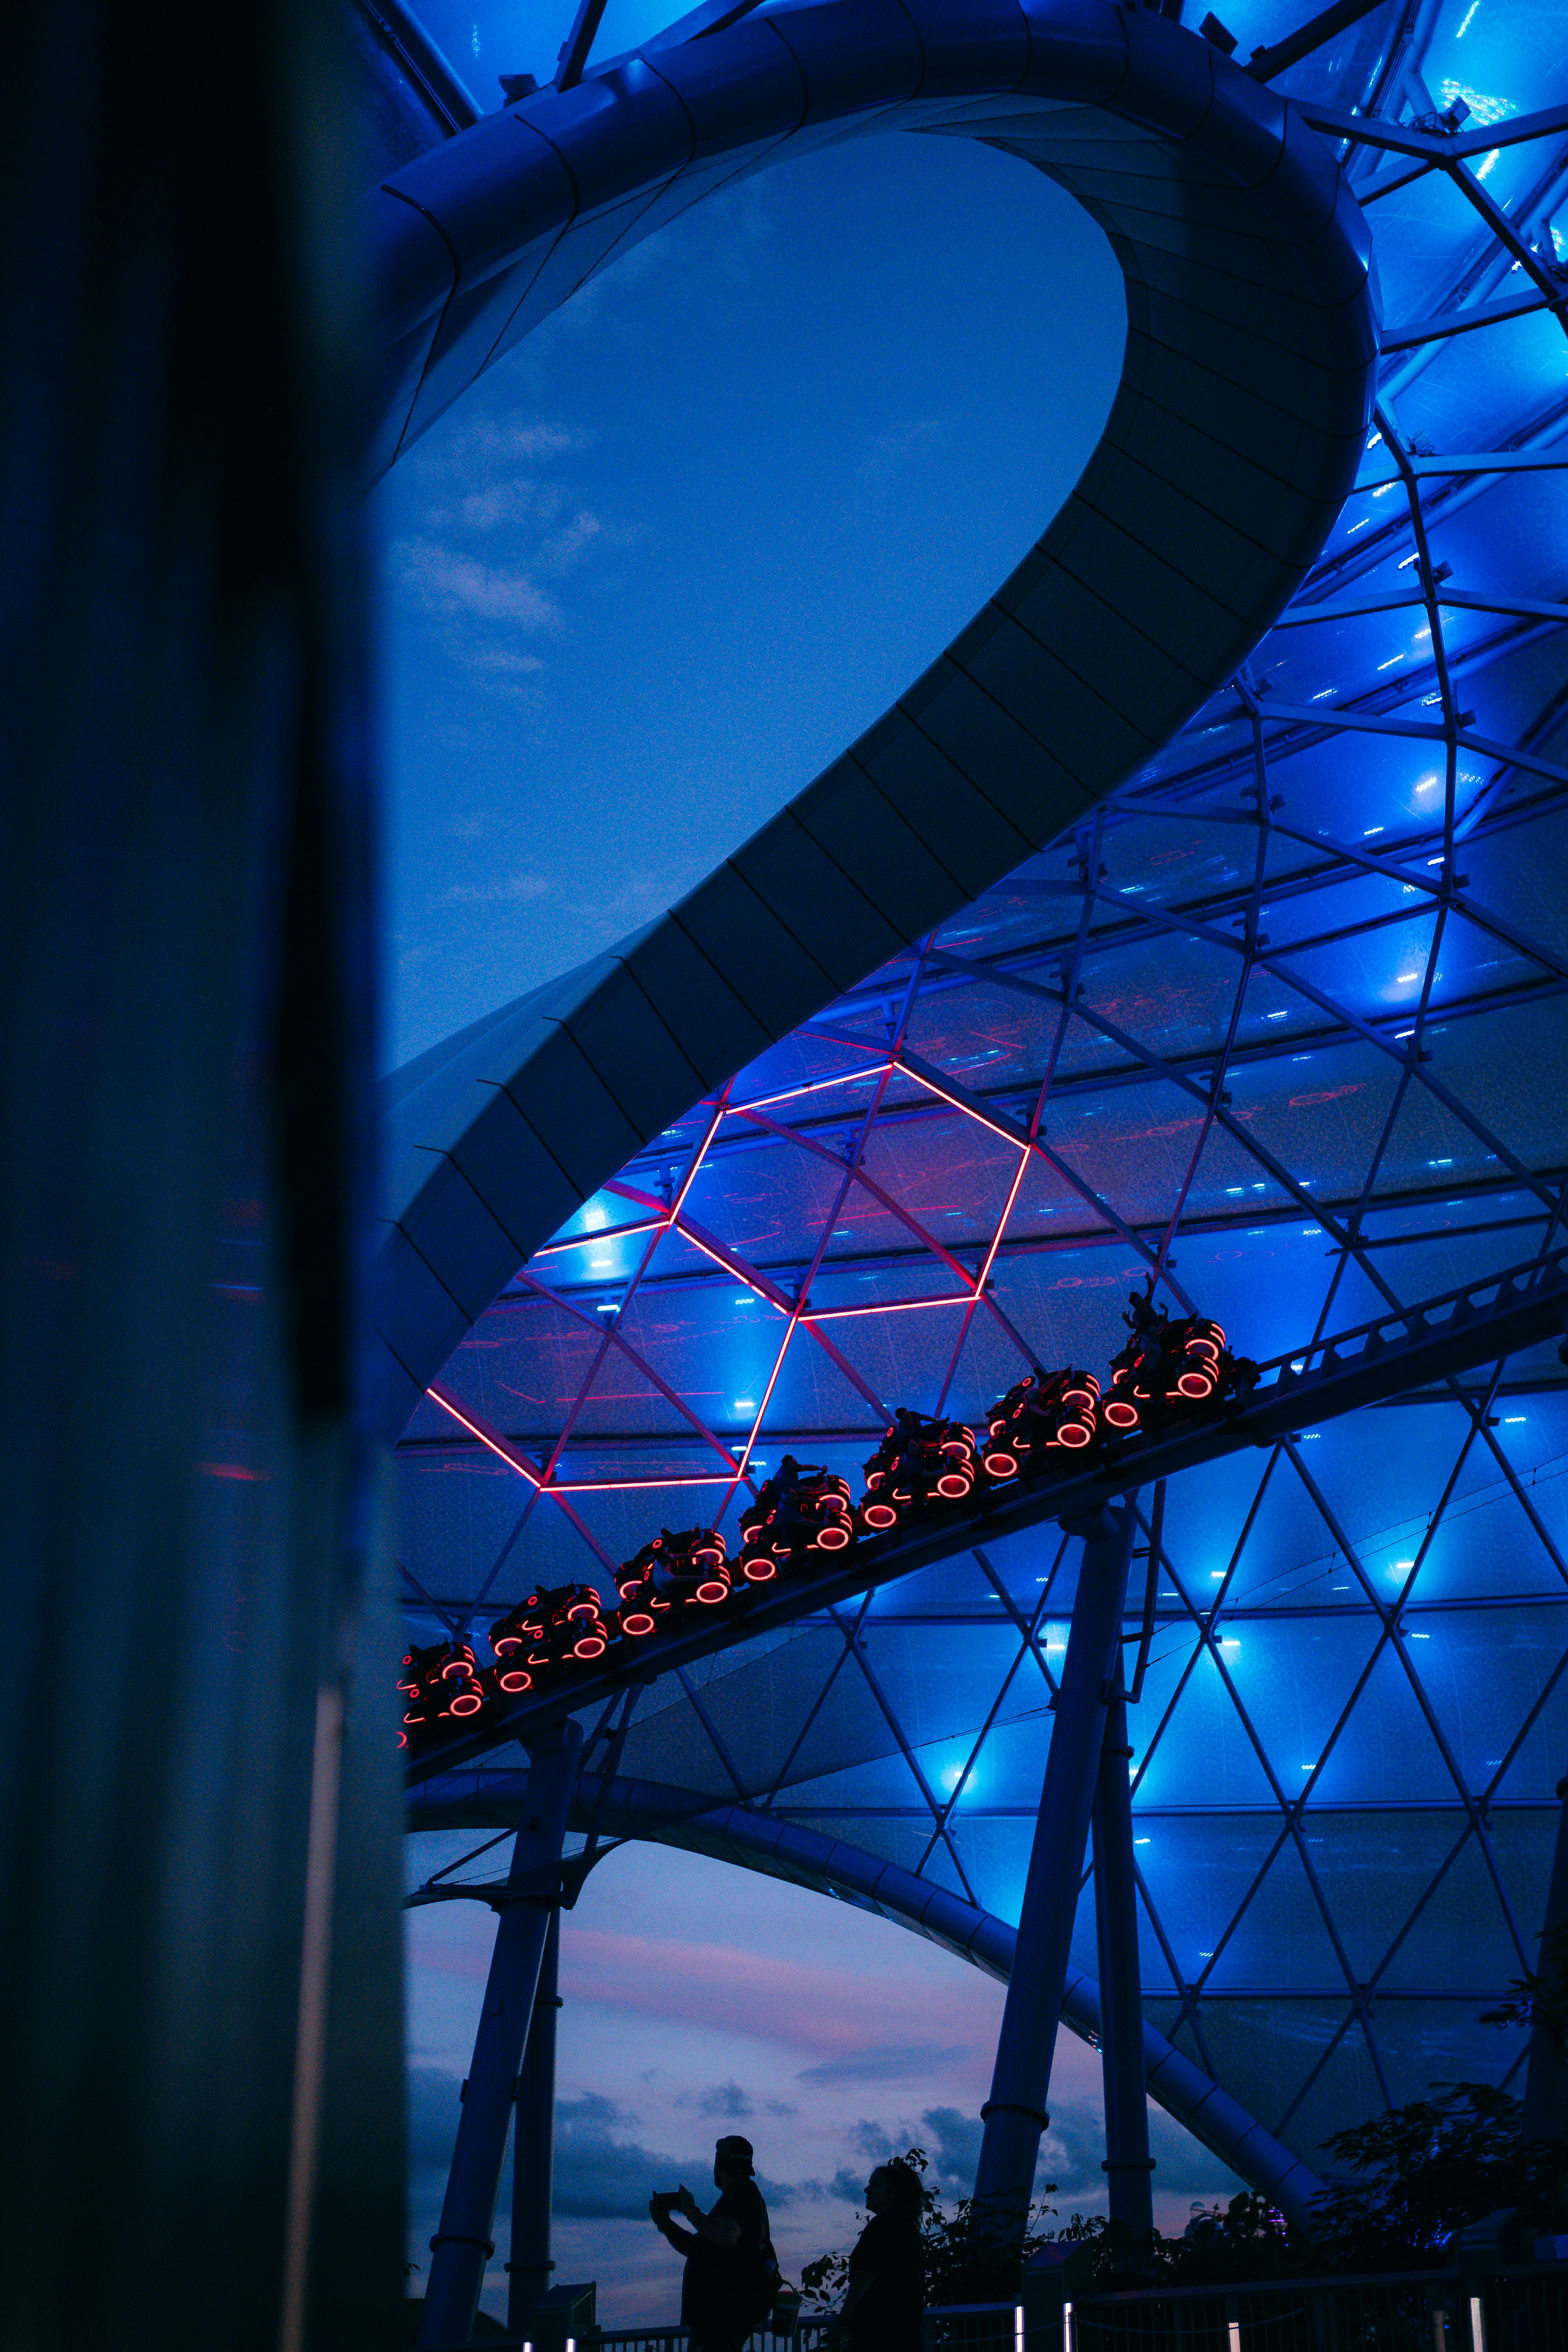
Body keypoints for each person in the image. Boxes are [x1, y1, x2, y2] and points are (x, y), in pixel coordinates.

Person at [649, 2133, 775, 2352]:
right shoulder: (741, 2197)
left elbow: (727, 2236)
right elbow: (697, 2249)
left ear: (721, 2164)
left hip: (721, 2318)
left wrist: (690, 2211)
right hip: (718, 2318)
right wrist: (666, 2225)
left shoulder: (740, 2196)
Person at [839, 2161, 925, 2352]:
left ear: (893, 2192)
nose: (867, 2190)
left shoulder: (881, 2227)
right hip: (908, 2335)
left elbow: (865, 2275)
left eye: (876, 2185)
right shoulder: (908, 2229)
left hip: (880, 2336)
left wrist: (843, 2319)